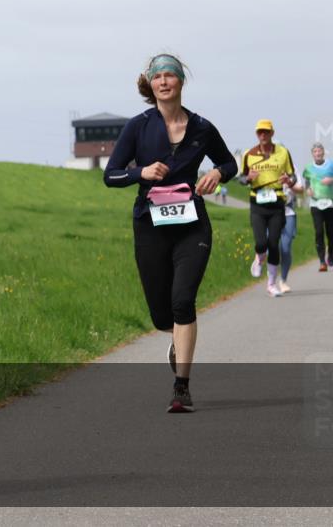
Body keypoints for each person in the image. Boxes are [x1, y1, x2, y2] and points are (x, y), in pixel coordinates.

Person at [104, 54, 237, 413]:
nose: (164, 82)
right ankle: (177, 338)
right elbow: (110, 174)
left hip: (192, 225)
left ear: (181, 81)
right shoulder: (138, 126)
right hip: (150, 225)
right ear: (150, 84)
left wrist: (217, 174)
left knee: (183, 302)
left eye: (170, 75)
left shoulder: (202, 127)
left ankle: (182, 387)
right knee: (162, 316)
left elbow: (229, 162)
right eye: (157, 76)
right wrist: (141, 173)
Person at [239, 120, 296, 297]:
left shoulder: (283, 152)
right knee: (261, 243)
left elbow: (293, 176)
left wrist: (289, 181)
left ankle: (271, 284)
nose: (262, 135)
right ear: (257, 134)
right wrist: (248, 178)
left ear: (272, 133)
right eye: (259, 132)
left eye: (266, 132)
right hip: (257, 203)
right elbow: (241, 179)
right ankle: (259, 257)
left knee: (273, 244)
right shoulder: (249, 154)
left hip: (277, 202)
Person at [300, 142, 333, 271]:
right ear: (312, 154)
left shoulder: (332, 165)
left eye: (319, 151)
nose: (318, 153)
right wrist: (308, 189)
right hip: (316, 204)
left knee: (331, 232)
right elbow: (307, 181)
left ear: (323, 152)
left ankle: (330, 252)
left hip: (331, 204)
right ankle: (322, 261)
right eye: (315, 152)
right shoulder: (308, 167)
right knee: (319, 232)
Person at [277, 182, 299, 293]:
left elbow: (301, 189)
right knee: (270, 248)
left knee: (285, 249)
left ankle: (283, 280)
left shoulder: (293, 173)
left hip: (288, 213)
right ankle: (271, 279)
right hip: (269, 213)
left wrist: (289, 183)